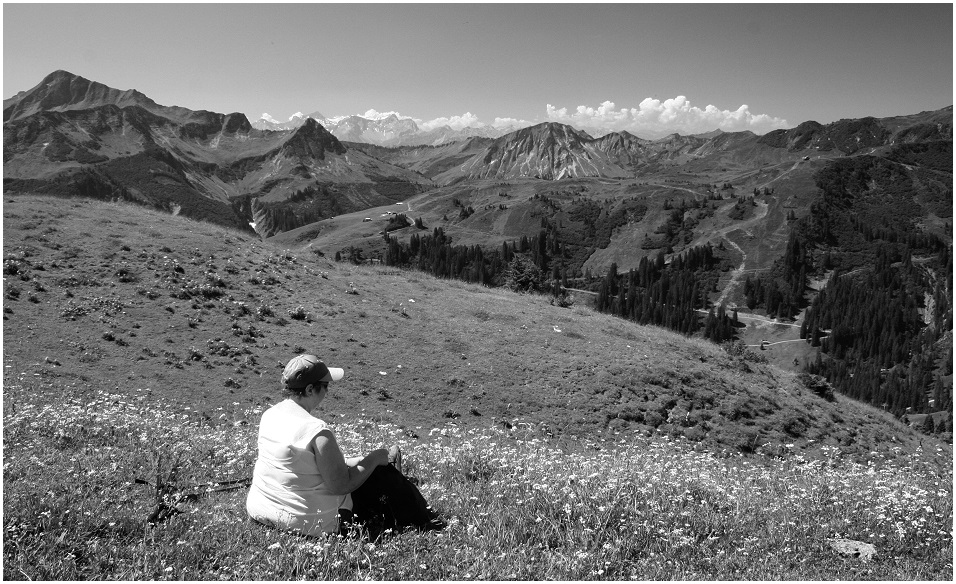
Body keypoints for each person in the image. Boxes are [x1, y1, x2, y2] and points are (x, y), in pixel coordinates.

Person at [246, 354, 442, 537]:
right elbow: (341, 485)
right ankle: (426, 522)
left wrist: (349, 461)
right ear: (309, 390)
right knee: (380, 475)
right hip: (309, 522)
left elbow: (299, 464)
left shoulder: (270, 415)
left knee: (362, 467)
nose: (327, 391)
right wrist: (374, 458)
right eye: (325, 386)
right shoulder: (317, 430)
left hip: (262, 510)